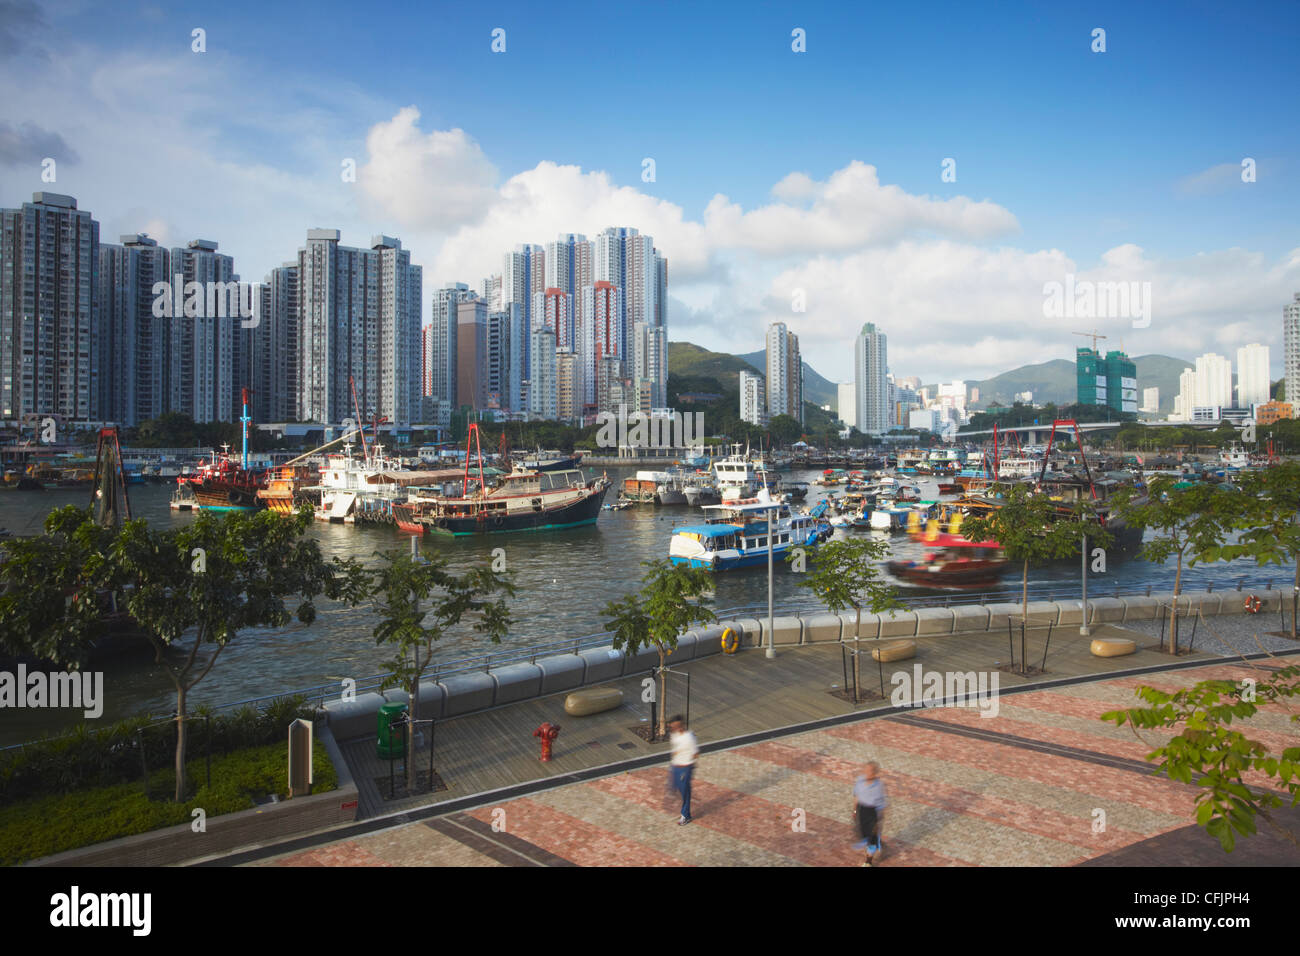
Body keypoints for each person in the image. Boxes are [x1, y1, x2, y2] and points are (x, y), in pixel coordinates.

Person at [852, 762, 887, 865]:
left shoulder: (879, 786)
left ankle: (868, 862)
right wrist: (854, 810)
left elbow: (882, 804)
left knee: (872, 837)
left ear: (875, 773)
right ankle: (874, 842)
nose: (867, 773)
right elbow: (856, 795)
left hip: (872, 812)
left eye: (870, 771)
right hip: (861, 810)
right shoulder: (859, 780)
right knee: (863, 834)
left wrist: (880, 819)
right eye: (866, 770)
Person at [668, 714, 698, 825]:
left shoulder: (689, 737)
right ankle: (686, 813)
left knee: (685, 791)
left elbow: (695, 753)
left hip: (685, 767)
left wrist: (689, 766)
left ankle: (685, 816)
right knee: (675, 789)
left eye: (675, 726)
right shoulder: (674, 735)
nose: (673, 728)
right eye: (672, 726)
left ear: (681, 725)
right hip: (675, 766)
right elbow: (675, 749)